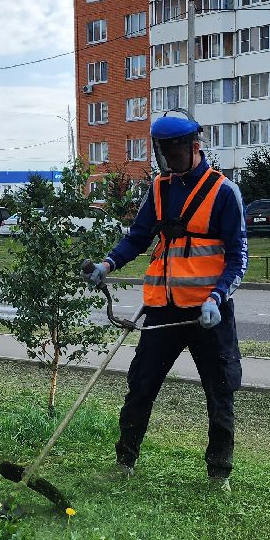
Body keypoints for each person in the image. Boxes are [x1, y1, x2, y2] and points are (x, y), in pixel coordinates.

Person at [84, 115, 248, 489]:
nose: (170, 162)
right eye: (164, 155)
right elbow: (138, 237)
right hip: (163, 309)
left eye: (175, 154)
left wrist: (217, 297)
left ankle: (218, 473)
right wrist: (107, 264)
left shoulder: (224, 192)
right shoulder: (159, 189)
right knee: (141, 384)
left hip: (209, 313)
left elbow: (239, 257)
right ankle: (124, 462)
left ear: (194, 147)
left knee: (219, 389)